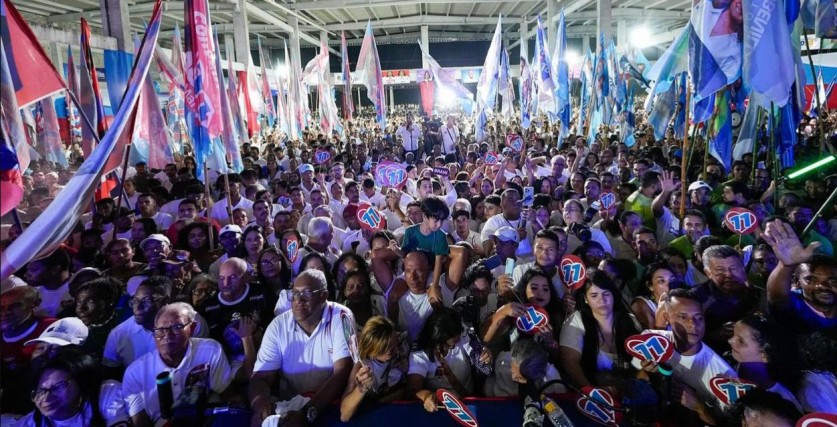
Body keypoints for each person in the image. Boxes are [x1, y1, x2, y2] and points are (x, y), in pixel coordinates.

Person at [248, 270, 353, 427]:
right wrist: (260, 406)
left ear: (323, 296)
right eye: (295, 293)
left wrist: (308, 412)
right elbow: (260, 377)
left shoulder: (341, 316)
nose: (298, 300)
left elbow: (342, 372)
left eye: (307, 293)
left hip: (332, 406)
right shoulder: (278, 325)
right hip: (289, 409)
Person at [559, 270, 640, 393]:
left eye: (606, 294)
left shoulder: (629, 320)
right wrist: (593, 393)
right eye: (594, 295)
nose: (602, 300)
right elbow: (569, 362)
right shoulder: (577, 320)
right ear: (585, 299)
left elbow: (643, 360)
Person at [16, 347, 128, 427]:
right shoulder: (30, 423)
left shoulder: (106, 393)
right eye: (41, 391)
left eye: (57, 387)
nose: (46, 397)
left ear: (81, 382)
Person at [762, 219, 837, 334]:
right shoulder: (794, 304)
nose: (822, 286)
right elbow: (777, 297)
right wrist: (786, 265)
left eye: (832, 281)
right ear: (796, 281)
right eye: (811, 279)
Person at [408, 308, 490, 411]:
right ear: (438, 339)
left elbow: (485, 366)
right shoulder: (419, 352)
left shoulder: (462, 331)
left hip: (467, 404)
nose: (457, 342)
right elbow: (414, 390)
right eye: (453, 342)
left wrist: (485, 355)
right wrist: (426, 396)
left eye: (458, 339)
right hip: (440, 408)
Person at [339, 316, 408, 422]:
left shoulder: (400, 350)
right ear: (374, 352)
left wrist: (406, 369)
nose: (398, 350)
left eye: (396, 344)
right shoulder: (361, 367)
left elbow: (406, 390)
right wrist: (361, 389)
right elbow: (344, 416)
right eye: (391, 350)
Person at [2, 286, 56, 415]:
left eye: (14, 306)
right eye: (1, 307)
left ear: (34, 304)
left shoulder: (50, 327)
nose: (6, 312)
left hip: (43, 403)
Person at [631, 263, 676, 330]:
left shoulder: (680, 301)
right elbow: (653, 338)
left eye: (672, 280)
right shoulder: (641, 304)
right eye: (661, 281)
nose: (669, 285)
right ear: (650, 286)